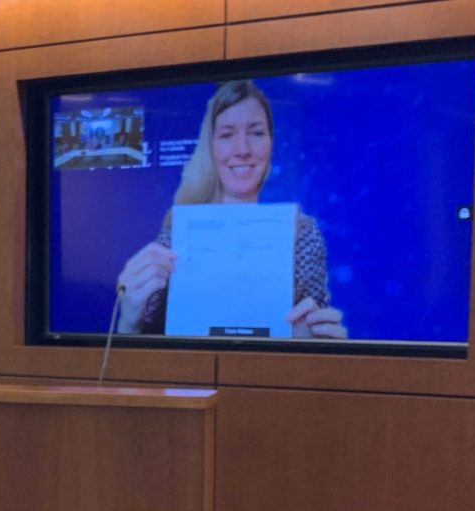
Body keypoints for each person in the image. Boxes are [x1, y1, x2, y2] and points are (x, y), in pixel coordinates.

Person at [115, 78, 347, 339]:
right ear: (210, 147)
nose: (242, 150)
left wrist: (322, 347)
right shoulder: (174, 237)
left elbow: (312, 360)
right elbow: (140, 355)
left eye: (256, 133)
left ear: (271, 143)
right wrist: (128, 319)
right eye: (227, 135)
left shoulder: (304, 235)